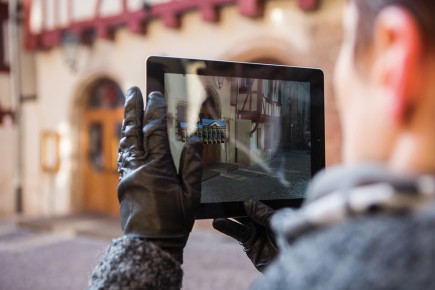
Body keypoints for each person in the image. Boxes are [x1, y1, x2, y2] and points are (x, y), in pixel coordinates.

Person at [88, 0, 435, 289]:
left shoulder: (359, 265)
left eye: (347, 42)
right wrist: (293, 261)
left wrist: (147, 248)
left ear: (394, 57)